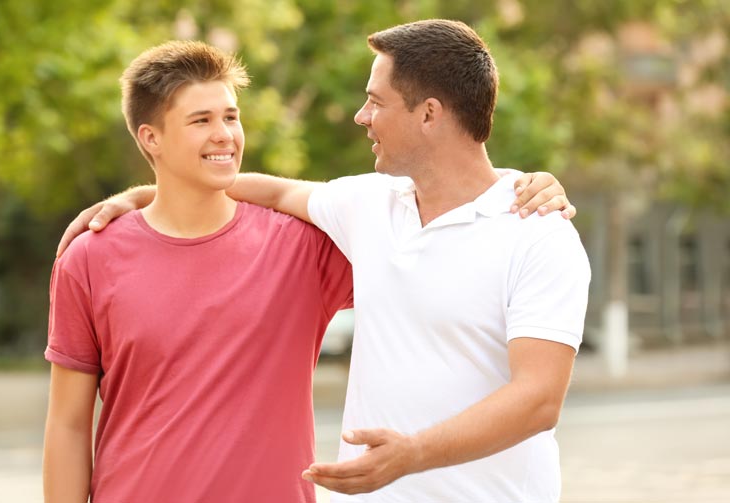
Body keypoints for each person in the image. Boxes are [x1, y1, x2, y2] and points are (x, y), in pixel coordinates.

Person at [55, 22, 586, 503]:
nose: (361, 116)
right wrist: (145, 194)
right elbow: (275, 189)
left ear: (429, 113)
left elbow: (538, 399)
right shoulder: (369, 206)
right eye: (202, 120)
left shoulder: (537, 232)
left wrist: (413, 454)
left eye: (375, 101)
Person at [43, 40, 356, 503]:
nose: (225, 134)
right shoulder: (89, 258)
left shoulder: (303, 246)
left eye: (230, 116)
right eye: (201, 120)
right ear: (151, 138)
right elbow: (67, 424)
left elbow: (408, 229)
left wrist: (503, 194)